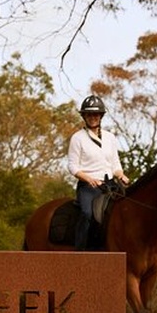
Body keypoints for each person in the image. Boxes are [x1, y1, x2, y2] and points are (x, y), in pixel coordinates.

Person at [66, 94, 130, 250]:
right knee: (87, 214)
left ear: (101, 116)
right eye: (89, 114)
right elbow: (72, 166)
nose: (93, 117)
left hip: (110, 185)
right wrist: (89, 179)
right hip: (89, 187)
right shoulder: (77, 138)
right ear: (84, 116)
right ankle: (80, 250)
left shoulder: (110, 137)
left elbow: (115, 164)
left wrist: (121, 174)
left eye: (96, 114)